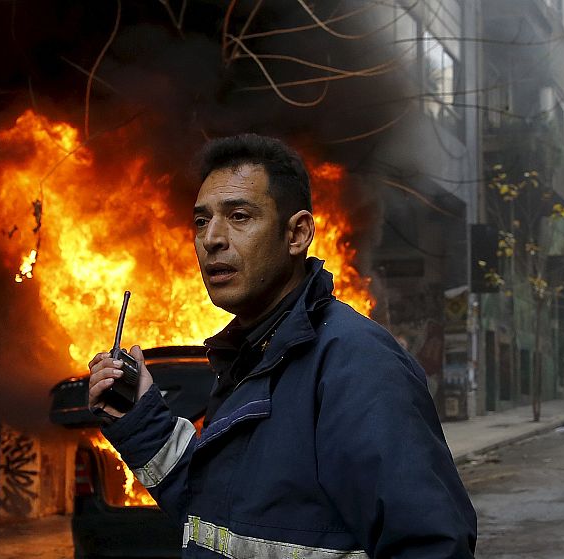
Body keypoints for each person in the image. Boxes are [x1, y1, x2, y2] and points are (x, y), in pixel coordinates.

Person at [88, 134, 477, 558]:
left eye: (238, 216)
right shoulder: (250, 356)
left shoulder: (355, 363)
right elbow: (219, 516)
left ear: (297, 234)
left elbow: (430, 547)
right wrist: (141, 419)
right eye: (201, 221)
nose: (212, 238)